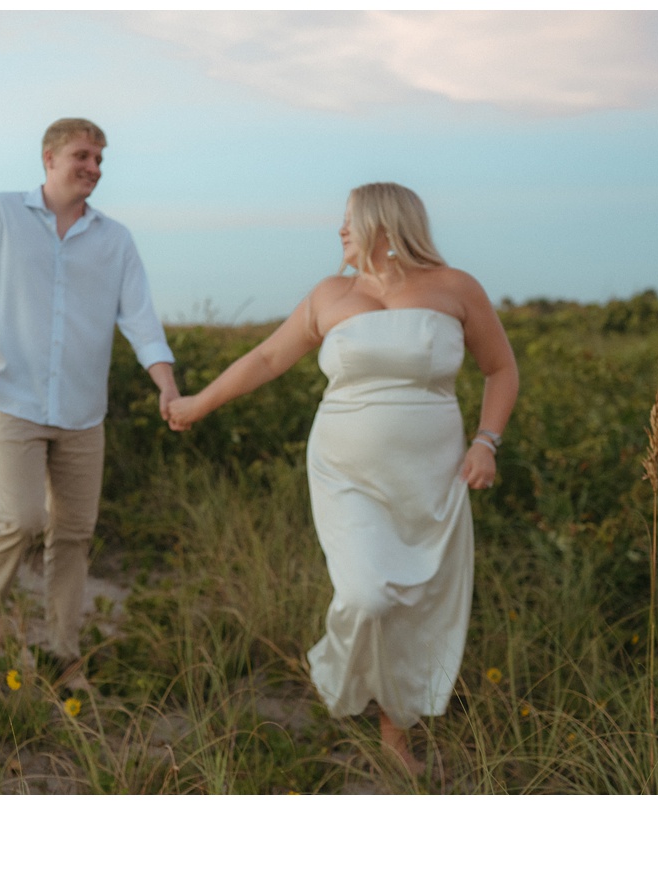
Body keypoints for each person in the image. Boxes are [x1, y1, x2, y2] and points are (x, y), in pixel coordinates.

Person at [167, 182, 518, 774]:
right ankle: (335, 668)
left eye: (349, 220)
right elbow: (267, 358)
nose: (340, 231)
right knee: (369, 594)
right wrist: (199, 404)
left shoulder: (456, 288)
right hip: (345, 470)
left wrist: (487, 441)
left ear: (385, 224)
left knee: (413, 603)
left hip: (431, 476)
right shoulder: (331, 294)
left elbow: (501, 368)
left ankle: (393, 729)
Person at [0, 118, 179, 676]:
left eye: (99, 160)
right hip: (9, 398)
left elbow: (142, 321)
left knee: (73, 533)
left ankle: (64, 651)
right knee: (21, 517)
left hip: (81, 411)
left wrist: (166, 383)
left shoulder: (114, 239)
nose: (93, 168)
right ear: (49, 159)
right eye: (82, 156)